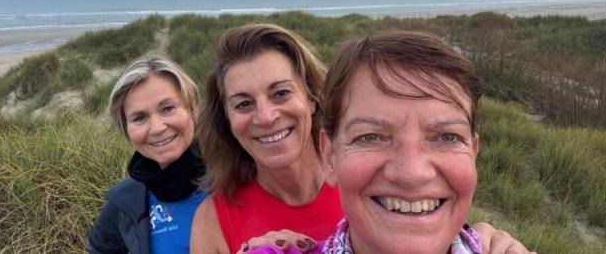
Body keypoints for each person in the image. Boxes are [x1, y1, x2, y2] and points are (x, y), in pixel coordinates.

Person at [190, 24, 533, 254]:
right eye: (372, 137)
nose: (412, 174)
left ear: (311, 97)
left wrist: (476, 237)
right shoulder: (215, 217)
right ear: (331, 155)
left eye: (446, 136)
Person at [88, 59, 206, 254]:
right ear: (127, 130)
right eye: (139, 118)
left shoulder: (236, 173)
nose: (157, 128)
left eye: (167, 108)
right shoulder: (125, 201)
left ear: (193, 110)